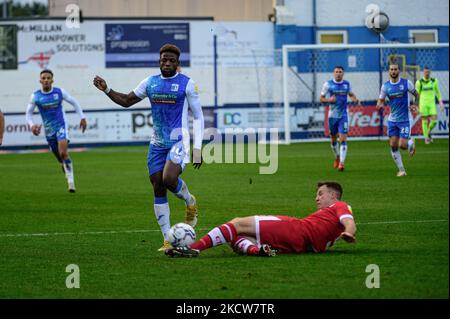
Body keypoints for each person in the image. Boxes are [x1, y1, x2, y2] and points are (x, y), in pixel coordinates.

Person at [93, 44, 204, 251]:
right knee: (157, 185)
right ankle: (167, 240)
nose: (167, 63)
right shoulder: (150, 82)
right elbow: (126, 101)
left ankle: (190, 201)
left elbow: (198, 116)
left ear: (177, 63)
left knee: (169, 179)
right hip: (157, 144)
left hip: (178, 141)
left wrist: (197, 147)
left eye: (171, 60)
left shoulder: (187, 84)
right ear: (159, 61)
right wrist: (106, 89)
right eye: (164, 60)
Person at [165, 181, 356, 258]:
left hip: (297, 229)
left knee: (237, 223)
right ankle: (257, 250)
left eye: (321, 194)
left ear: (333, 195)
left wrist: (348, 232)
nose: (317, 198)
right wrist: (344, 232)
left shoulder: (339, 205)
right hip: (301, 246)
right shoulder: (331, 213)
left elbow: (349, 222)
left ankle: (193, 248)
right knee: (234, 236)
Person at [26, 69, 87, 192]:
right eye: (44, 78)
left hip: (61, 126)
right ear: (40, 81)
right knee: (60, 158)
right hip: (49, 131)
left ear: (52, 80)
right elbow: (28, 114)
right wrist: (32, 125)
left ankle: (71, 183)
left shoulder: (59, 92)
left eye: (48, 78)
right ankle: (64, 165)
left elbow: (74, 102)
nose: (46, 80)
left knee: (64, 153)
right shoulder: (36, 96)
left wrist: (82, 117)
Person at [377, 63, 419, 177]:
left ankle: (410, 142)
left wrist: (415, 104)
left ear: (398, 71)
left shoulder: (406, 83)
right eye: (391, 69)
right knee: (393, 145)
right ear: (389, 71)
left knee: (402, 145)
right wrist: (379, 104)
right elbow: (380, 100)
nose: (393, 71)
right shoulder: (385, 86)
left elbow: (416, 94)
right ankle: (401, 170)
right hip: (392, 120)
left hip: (405, 119)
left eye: (395, 69)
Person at [320, 66, 360, 172]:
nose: (338, 73)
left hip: (343, 115)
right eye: (336, 72)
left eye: (340, 72)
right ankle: (337, 157)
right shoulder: (328, 84)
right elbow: (321, 98)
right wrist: (329, 100)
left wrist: (355, 99)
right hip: (332, 116)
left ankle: (341, 163)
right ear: (333, 73)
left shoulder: (346, 84)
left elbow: (351, 94)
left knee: (343, 139)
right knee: (333, 140)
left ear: (343, 73)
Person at [415, 67, 445, 144]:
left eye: (428, 72)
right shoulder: (419, 82)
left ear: (430, 72)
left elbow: (438, 92)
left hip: (432, 104)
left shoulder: (434, 81)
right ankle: (426, 138)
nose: (426, 73)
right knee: (424, 121)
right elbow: (416, 95)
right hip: (423, 104)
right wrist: (416, 106)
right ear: (423, 72)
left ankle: (427, 133)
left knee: (434, 121)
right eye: (425, 72)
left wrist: (441, 102)